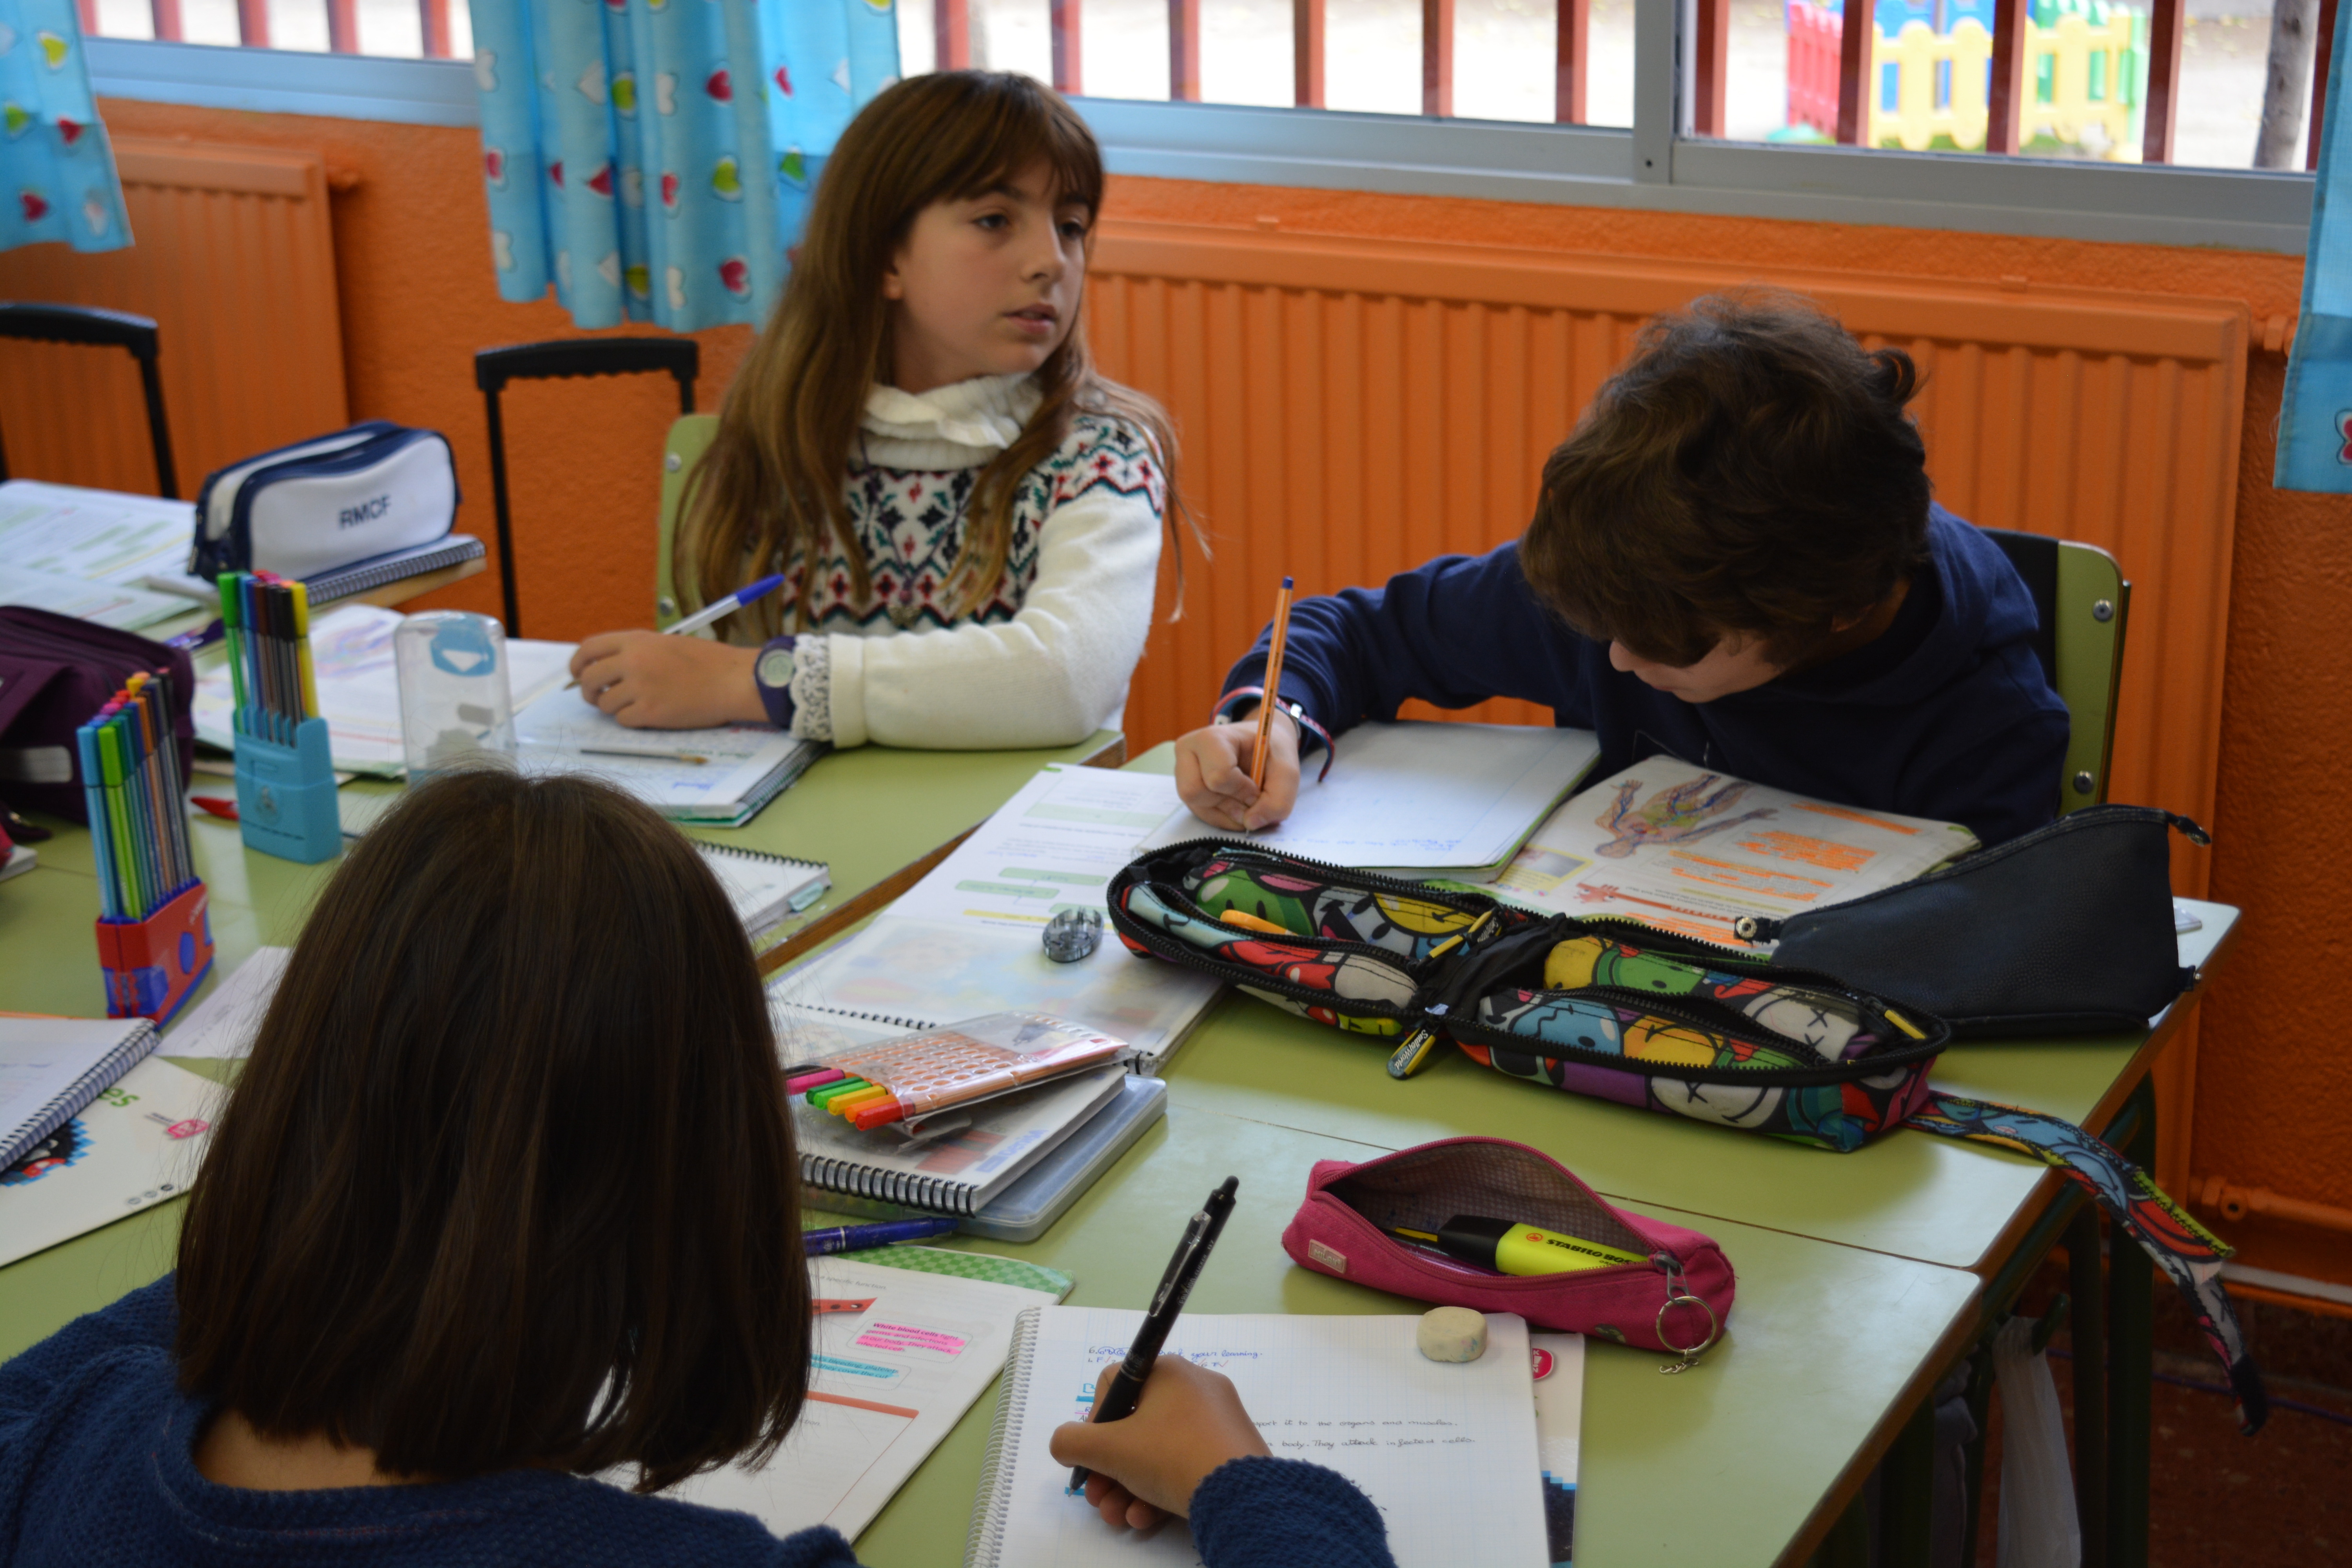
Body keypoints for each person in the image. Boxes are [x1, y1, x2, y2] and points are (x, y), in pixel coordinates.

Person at [0, 770, 1394, 1567]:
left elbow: (131, 1345)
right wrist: (1244, 1486)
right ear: (698, 1194)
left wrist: (318, 1223)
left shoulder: (66, 1448)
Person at [1175, 291, 2069, 848]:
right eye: (1604, 628)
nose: (1616, 660)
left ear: (1828, 611)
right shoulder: (1633, 580)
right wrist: (1273, 718)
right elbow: (1357, 631)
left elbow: (1972, 964)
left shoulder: (1988, 727)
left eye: (1667, 646)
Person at [568, 71, 1191, 752]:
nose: (1052, 261)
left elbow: (1064, 679)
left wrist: (760, 682)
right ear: (885, 258)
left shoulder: (1100, 455)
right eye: (995, 221)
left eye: (1070, 227)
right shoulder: (783, 440)